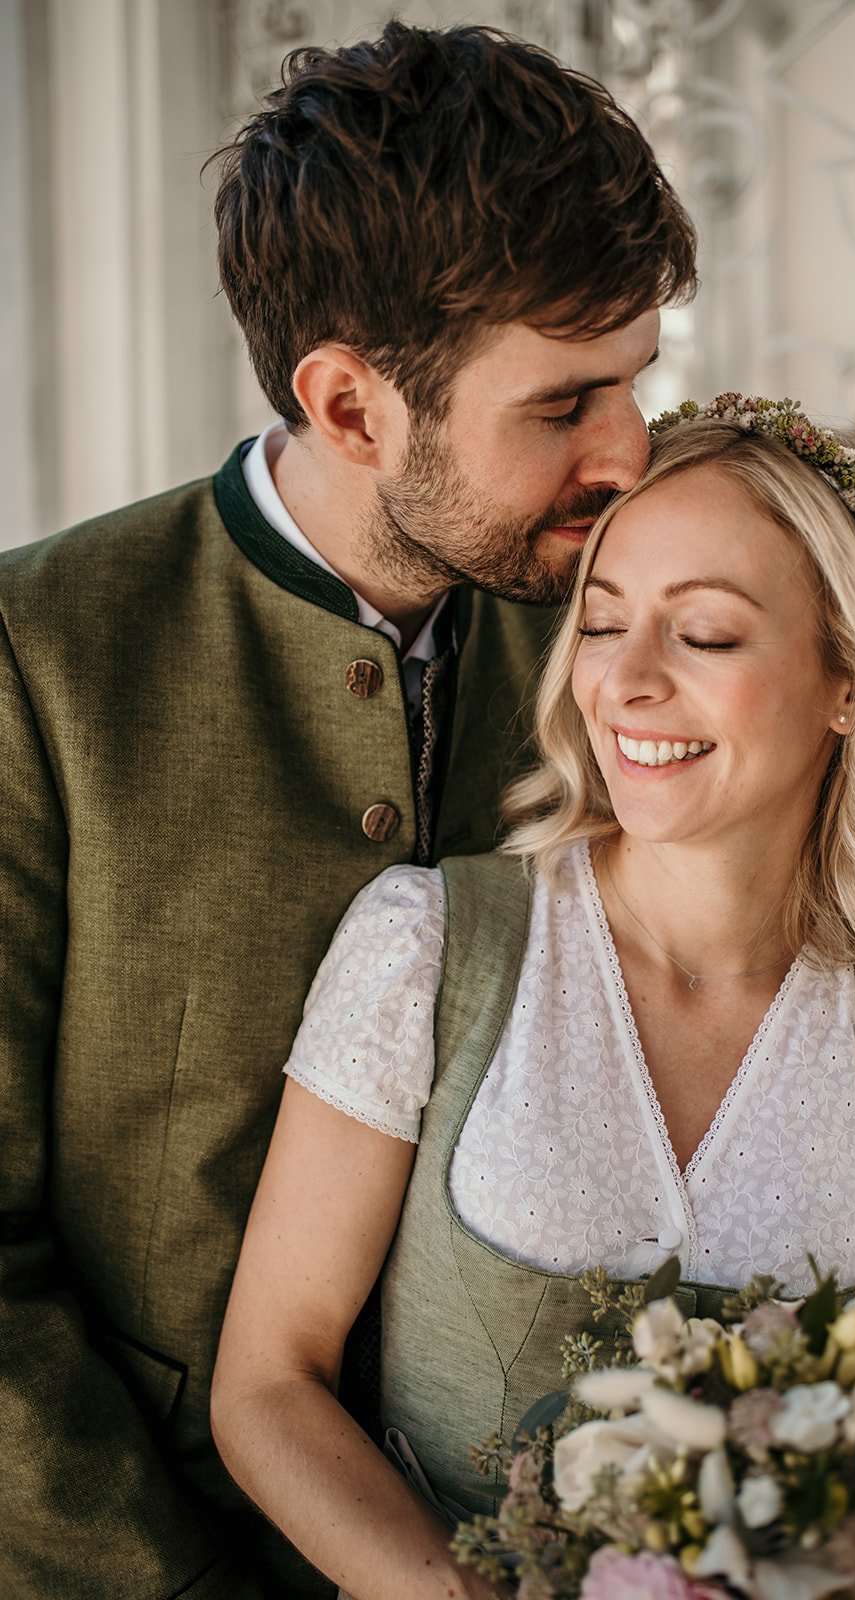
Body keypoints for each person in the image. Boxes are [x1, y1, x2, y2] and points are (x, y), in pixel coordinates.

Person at [0, 22, 697, 1600]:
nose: (629, 451)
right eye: (564, 403)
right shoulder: (36, 663)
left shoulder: (638, 645)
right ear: (352, 402)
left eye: (639, 380)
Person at [212, 396, 855, 1600]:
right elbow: (268, 1382)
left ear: (848, 682)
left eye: (705, 635)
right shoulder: (428, 950)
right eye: (602, 625)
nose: (628, 682)